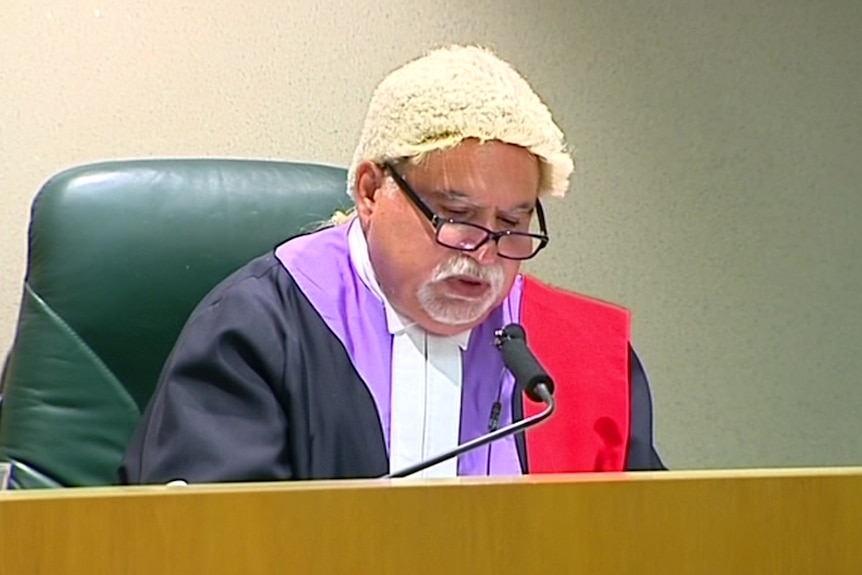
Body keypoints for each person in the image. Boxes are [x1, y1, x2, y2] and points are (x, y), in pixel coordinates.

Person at [120, 44, 664, 483]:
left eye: (512, 225)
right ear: (371, 190)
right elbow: (203, 545)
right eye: (456, 216)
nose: (483, 255)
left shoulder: (579, 356)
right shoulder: (259, 328)